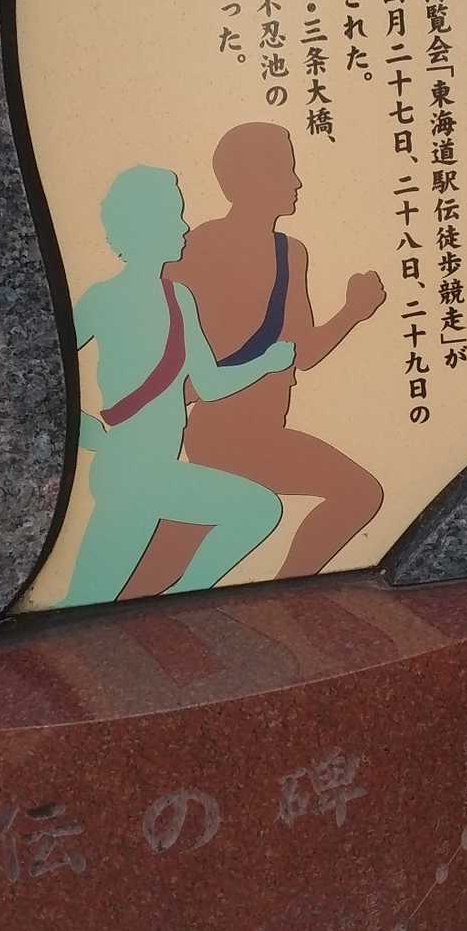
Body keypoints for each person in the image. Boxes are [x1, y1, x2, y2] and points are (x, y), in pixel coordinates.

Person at [124, 123, 385, 596]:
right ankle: (285, 599)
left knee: (171, 553)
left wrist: (354, 311)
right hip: (220, 431)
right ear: (247, 179)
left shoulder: (291, 253)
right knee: (357, 493)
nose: (296, 182)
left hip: (262, 429)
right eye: (284, 170)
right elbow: (158, 331)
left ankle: (283, 597)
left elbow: (302, 354)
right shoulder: (200, 246)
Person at [64, 164, 293, 607]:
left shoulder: (178, 298)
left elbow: (209, 385)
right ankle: (182, 602)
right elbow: (47, 368)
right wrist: (79, 426)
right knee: (86, 598)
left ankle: (182, 601)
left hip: (154, 469)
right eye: (175, 216)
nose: (185, 227)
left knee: (258, 510)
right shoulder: (103, 299)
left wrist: (265, 364)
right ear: (144, 225)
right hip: (129, 469)